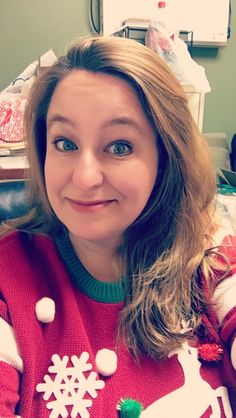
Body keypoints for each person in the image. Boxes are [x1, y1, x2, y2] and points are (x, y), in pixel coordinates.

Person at [0, 36, 235, 418]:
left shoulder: (212, 257)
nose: (85, 176)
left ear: (163, 157)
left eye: (120, 146)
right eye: (64, 143)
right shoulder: (8, 279)